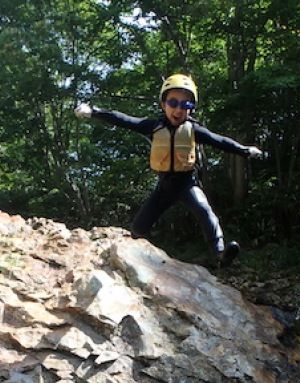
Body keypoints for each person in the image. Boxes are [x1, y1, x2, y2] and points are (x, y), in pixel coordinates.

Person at [74, 74, 264, 267]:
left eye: (186, 105)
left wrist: (244, 150)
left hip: (187, 184)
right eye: (173, 102)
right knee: (139, 226)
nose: (178, 109)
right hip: (165, 186)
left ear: (191, 109)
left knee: (204, 210)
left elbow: (220, 141)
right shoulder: (152, 127)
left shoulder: (193, 130)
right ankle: (134, 257)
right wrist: (94, 112)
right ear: (163, 104)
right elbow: (123, 119)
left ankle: (220, 253)